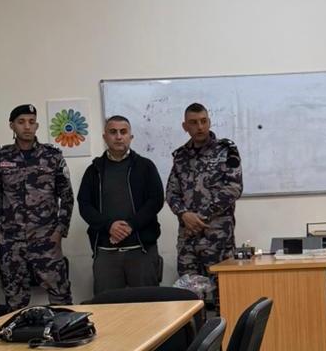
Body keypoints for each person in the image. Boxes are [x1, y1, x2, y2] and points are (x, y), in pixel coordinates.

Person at [0, 104, 74, 310]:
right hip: (12, 241)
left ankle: (64, 329)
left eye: (31, 122)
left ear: (37, 125)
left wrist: (60, 231)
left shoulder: (52, 155)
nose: (27, 126)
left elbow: (67, 196)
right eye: (21, 122)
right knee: (15, 302)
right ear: (12, 126)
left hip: (47, 239)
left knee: (60, 298)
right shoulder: (1, 157)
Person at [78, 115, 165, 293]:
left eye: (123, 132)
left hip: (141, 250)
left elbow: (156, 200)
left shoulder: (145, 166)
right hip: (106, 251)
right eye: (113, 132)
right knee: (107, 305)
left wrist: (131, 225)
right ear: (105, 137)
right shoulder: (94, 170)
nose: (118, 137)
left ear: (130, 137)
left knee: (148, 304)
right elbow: (84, 205)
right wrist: (109, 226)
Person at [165, 103, 242, 296]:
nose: (200, 127)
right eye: (193, 122)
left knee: (223, 297)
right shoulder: (180, 156)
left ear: (209, 122)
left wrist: (200, 217)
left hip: (218, 240)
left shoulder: (226, 150)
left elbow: (233, 188)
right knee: (189, 298)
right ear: (185, 126)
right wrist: (184, 214)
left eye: (203, 121)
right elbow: (171, 193)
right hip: (188, 241)